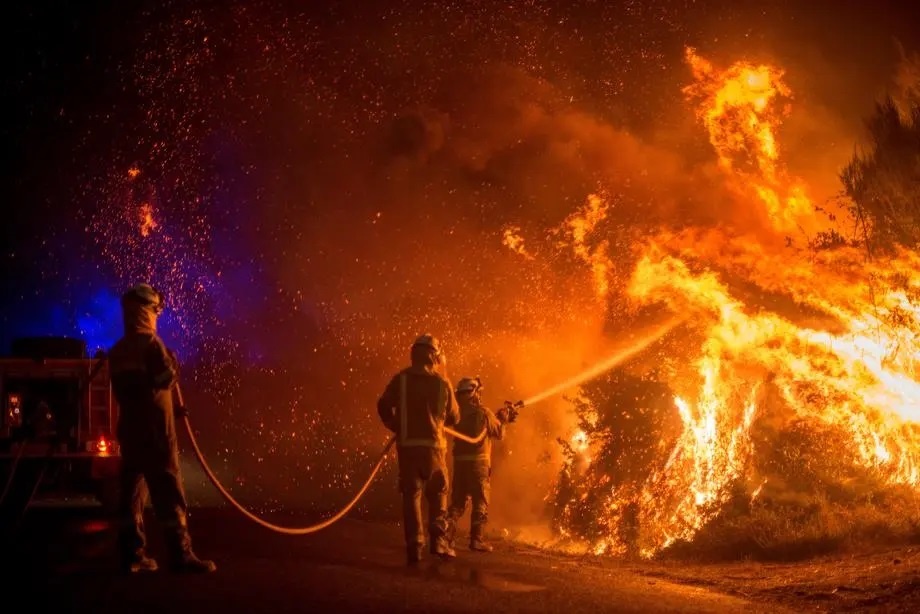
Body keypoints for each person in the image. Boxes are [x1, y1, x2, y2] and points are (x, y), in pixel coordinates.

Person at [108, 283, 216, 574]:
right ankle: (181, 555)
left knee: (132, 494)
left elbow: (138, 390)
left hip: (131, 432)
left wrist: (172, 407)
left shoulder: (118, 350)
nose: (157, 316)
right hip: (157, 434)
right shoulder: (152, 344)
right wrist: (174, 364)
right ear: (146, 310)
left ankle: (133, 555)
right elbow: (165, 378)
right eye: (155, 310)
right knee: (169, 492)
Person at [377, 334, 460, 565]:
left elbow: (383, 405)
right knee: (438, 494)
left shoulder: (401, 379)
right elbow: (455, 416)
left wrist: (394, 424)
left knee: (411, 497)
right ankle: (439, 543)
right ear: (434, 356)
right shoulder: (443, 384)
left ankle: (415, 547)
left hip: (408, 451)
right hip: (434, 451)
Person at [447, 377, 518, 552]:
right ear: (474, 394)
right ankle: (476, 540)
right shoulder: (484, 413)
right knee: (480, 500)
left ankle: (445, 536)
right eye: (478, 392)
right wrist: (504, 418)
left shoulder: (456, 413)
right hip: (478, 465)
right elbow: (499, 432)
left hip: (460, 464)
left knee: (457, 502)